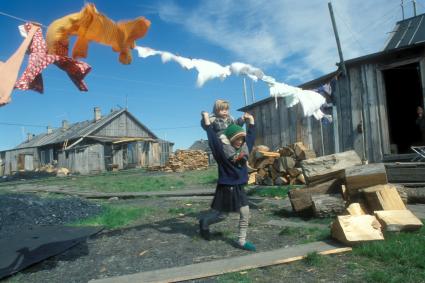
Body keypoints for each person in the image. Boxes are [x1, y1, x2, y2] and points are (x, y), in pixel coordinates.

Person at [199, 111, 256, 251]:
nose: (240, 141)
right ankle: (204, 222)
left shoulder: (244, 148)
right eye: (237, 139)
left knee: (245, 212)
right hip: (226, 186)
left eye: (242, 139)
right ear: (230, 139)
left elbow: (251, 136)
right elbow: (212, 137)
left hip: (238, 187)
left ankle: (241, 241)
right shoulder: (222, 151)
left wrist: (251, 120)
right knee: (223, 215)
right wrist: (207, 121)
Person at [209, 99, 249, 164]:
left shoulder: (231, 119)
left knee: (243, 142)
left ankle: (244, 156)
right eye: (222, 110)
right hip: (222, 137)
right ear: (216, 111)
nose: (225, 112)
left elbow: (236, 125)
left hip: (231, 136)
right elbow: (207, 127)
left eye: (226, 110)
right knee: (225, 143)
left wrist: (243, 118)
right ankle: (233, 157)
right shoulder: (214, 119)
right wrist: (205, 119)